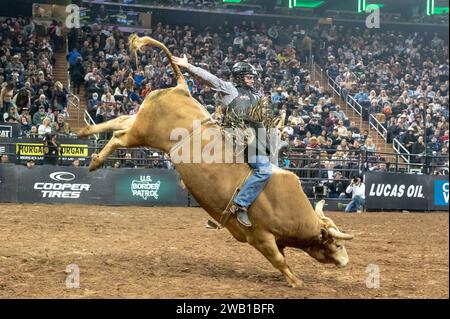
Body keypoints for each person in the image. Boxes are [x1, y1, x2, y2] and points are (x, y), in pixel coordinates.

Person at [172, 55, 271, 227]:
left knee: (268, 170)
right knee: (264, 171)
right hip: (236, 137)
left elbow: (259, 122)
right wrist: (188, 66)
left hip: (253, 140)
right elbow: (210, 79)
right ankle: (241, 205)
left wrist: (267, 143)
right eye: (249, 76)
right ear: (240, 76)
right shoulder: (230, 89)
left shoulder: (256, 96)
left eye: (253, 77)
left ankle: (231, 213)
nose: (252, 79)